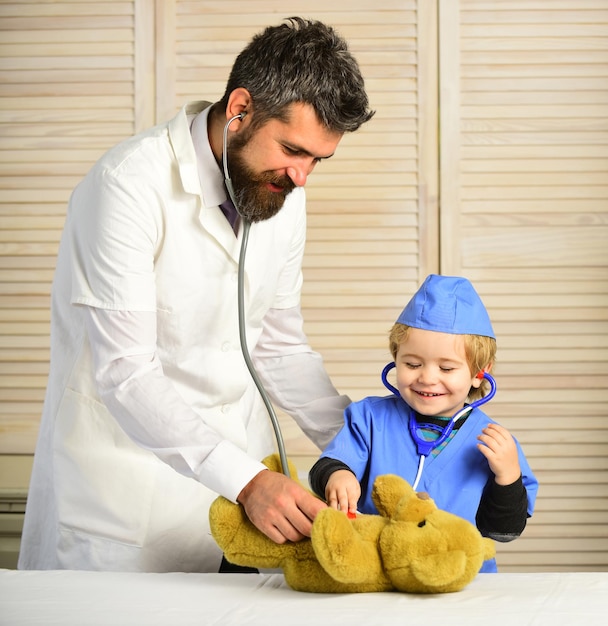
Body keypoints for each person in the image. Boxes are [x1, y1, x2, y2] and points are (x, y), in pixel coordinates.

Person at [18, 17, 374, 573]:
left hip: (239, 511)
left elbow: (278, 347)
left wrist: (366, 439)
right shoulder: (127, 187)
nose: (303, 177)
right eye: (293, 149)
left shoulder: (281, 191)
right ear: (240, 109)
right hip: (129, 507)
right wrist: (247, 480)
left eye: (317, 161)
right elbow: (126, 373)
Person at [309, 274, 538, 572]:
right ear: (396, 357)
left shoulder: (495, 443)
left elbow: (503, 531)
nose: (427, 378)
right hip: (378, 575)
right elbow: (327, 465)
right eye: (412, 364)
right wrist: (337, 475)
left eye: (446, 367)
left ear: (479, 372)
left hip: (459, 582)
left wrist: (507, 476)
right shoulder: (368, 419)